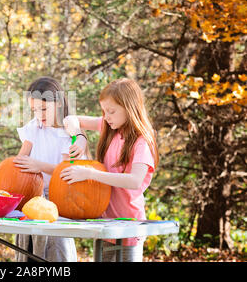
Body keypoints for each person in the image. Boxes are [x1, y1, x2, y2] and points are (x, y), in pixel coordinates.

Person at [61, 78, 159, 262]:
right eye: (104, 111)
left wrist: (90, 174)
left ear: (129, 108)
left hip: (130, 226)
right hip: (105, 224)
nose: (106, 117)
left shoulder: (141, 141)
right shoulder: (109, 126)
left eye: (111, 111)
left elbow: (134, 180)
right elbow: (71, 119)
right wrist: (80, 136)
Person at [13, 76, 84, 262]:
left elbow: (65, 171)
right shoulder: (33, 128)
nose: (39, 114)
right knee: (27, 253)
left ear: (58, 103)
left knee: (55, 252)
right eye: (34, 110)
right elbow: (21, 160)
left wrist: (39, 166)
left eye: (43, 109)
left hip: (57, 202)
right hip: (32, 200)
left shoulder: (67, 134)